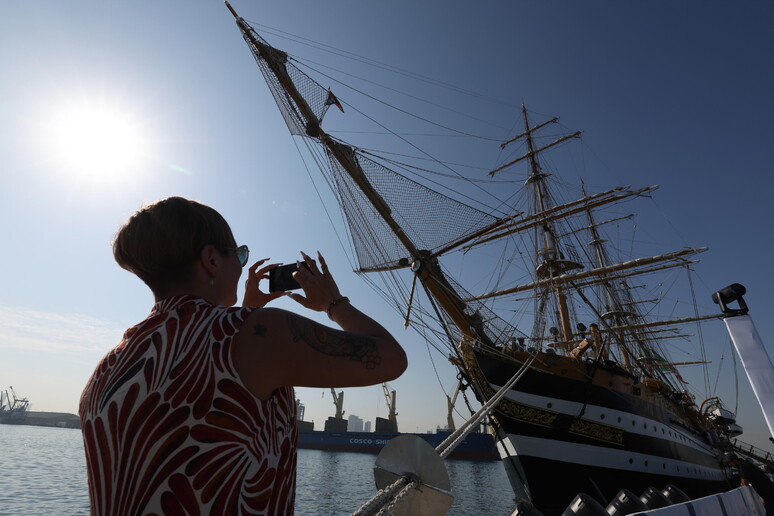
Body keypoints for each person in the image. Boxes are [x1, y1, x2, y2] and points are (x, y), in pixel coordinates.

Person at [79, 197, 407, 515]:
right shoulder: (253, 333)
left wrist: (247, 313)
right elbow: (391, 357)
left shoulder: (107, 367)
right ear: (211, 260)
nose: (242, 264)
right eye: (240, 253)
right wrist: (333, 303)